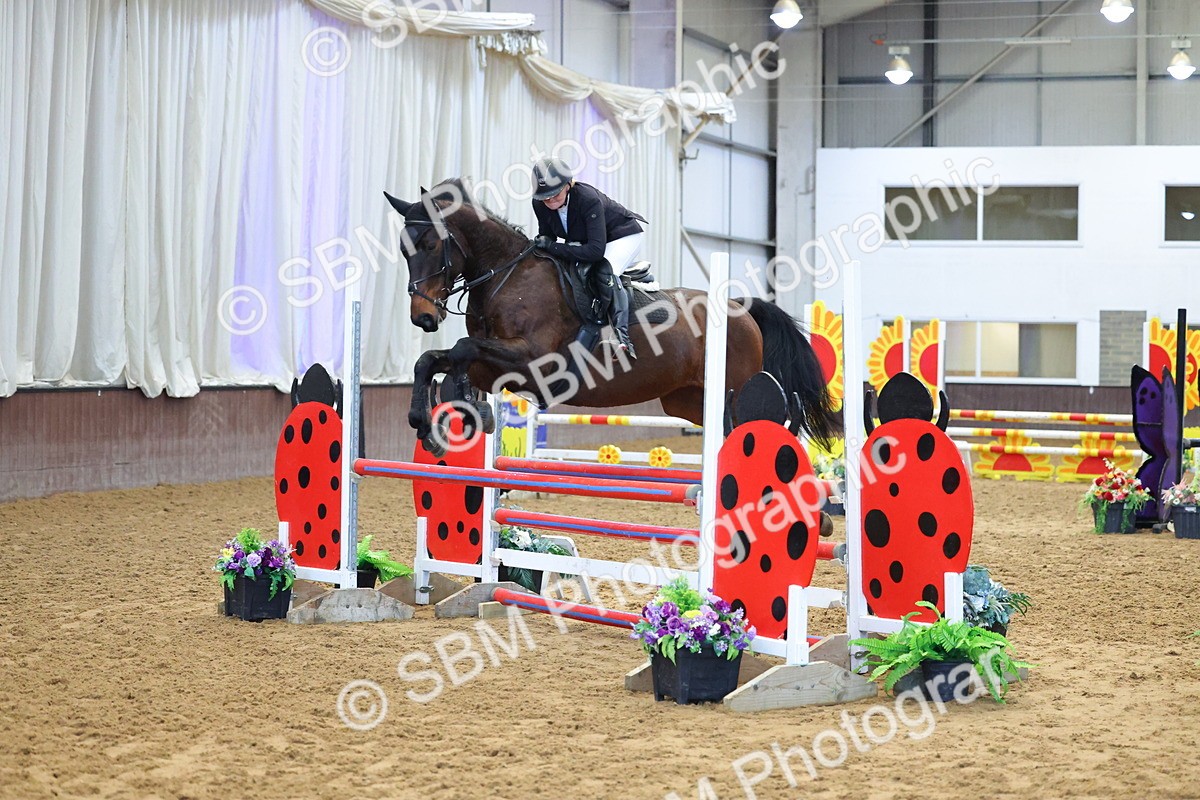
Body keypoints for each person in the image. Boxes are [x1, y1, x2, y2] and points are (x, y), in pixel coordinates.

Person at [530, 158, 646, 360]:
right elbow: (548, 236)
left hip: (622, 236)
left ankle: (622, 339)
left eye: (554, 194)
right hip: (589, 242)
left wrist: (553, 247)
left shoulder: (587, 199)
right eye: (545, 198)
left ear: (568, 185)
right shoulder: (540, 204)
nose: (550, 201)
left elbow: (595, 252)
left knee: (603, 270)